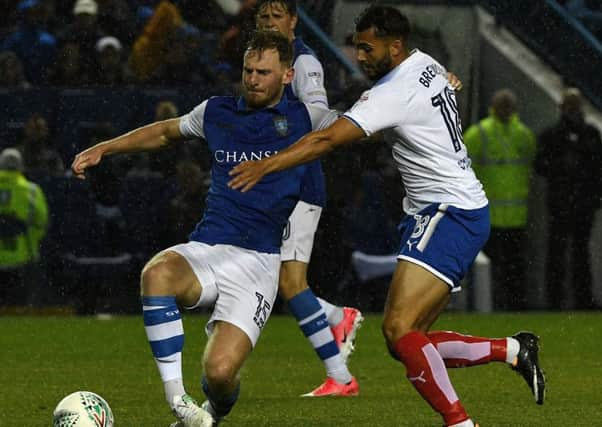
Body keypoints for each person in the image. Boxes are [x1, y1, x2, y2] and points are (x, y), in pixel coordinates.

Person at [229, 6, 546, 426]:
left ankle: (461, 423)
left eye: (367, 48)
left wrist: (265, 165)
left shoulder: (392, 91)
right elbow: (423, 96)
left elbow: (327, 139)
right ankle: (511, 350)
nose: (358, 56)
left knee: (397, 328)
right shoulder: (425, 64)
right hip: (448, 210)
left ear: (394, 47)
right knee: (410, 341)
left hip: (448, 212)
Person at [71, 31, 344, 427]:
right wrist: (105, 148)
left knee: (219, 376)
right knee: (157, 273)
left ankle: (211, 414)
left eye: (263, 72)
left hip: (260, 263)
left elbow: (364, 121)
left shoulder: (306, 118)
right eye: (248, 70)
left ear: (287, 75)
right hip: (209, 246)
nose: (252, 79)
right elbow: (165, 131)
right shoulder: (216, 112)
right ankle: (178, 400)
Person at [254, 0, 361, 397]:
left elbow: (318, 113)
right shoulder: (258, 62)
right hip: (274, 181)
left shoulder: (305, 62)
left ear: (294, 22)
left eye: (276, 16)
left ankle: (341, 377)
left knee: (291, 282)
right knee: (274, 277)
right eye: (263, 17)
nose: (268, 22)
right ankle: (338, 315)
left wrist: (276, 129)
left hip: (299, 180)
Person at [463, 89, 536, 310]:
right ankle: (509, 305)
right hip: (498, 215)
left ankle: (502, 305)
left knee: (505, 267)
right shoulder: (522, 134)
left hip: (501, 215)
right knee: (511, 267)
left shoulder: (479, 133)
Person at [535, 87, 602, 310]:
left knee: (577, 252)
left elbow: (597, 168)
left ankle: (577, 299)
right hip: (565, 202)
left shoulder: (586, 134)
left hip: (574, 201)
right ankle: (559, 299)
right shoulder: (559, 135)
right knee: (561, 252)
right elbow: (541, 165)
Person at [0, 148, 48, 306]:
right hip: (23, 259)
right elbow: (42, 223)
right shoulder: (32, 191)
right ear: (21, 166)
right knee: (20, 312)